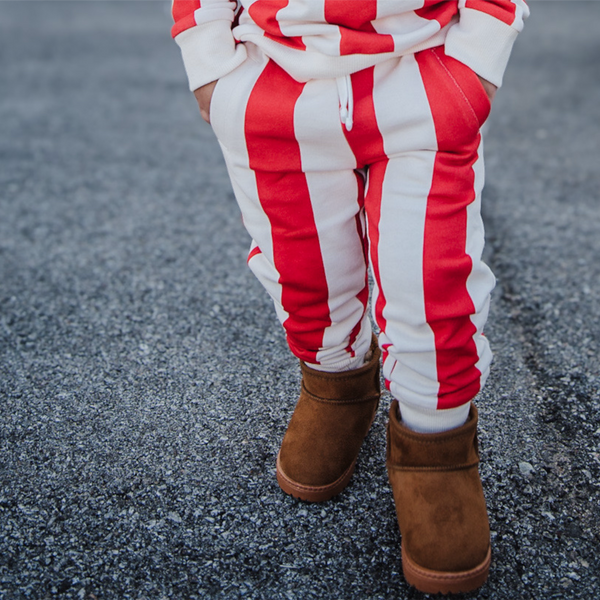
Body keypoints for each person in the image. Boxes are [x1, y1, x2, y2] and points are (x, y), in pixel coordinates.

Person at [171, 0, 529, 594]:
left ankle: (434, 442)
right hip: (274, 81)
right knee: (303, 272)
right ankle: (336, 382)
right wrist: (210, 65)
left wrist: (477, 61)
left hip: (420, 72)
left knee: (432, 277)